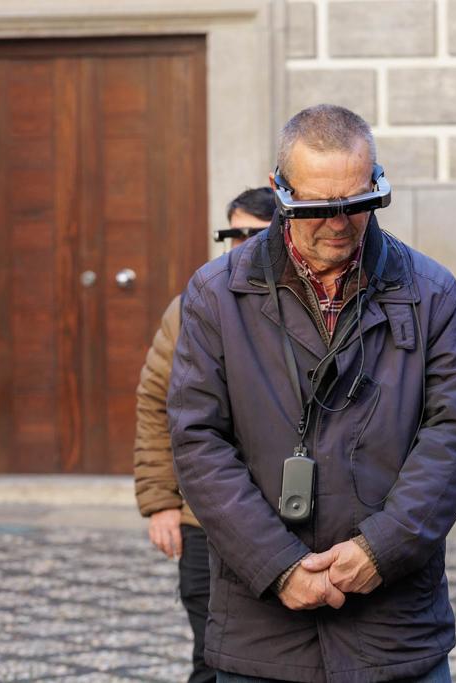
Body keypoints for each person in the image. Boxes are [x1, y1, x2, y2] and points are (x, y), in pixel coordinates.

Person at [168, 104, 456, 683]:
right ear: (280, 191)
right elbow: (197, 442)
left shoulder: (431, 292)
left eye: (358, 204)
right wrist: (279, 566)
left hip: (394, 629)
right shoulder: (216, 295)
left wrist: (380, 550)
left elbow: (454, 434)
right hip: (263, 633)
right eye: (317, 207)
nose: (339, 223)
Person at [134, 187, 275, 683]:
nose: (240, 246)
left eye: (253, 236)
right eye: (231, 235)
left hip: (278, 518)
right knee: (211, 656)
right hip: (203, 519)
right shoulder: (195, 304)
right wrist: (160, 503)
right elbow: (156, 401)